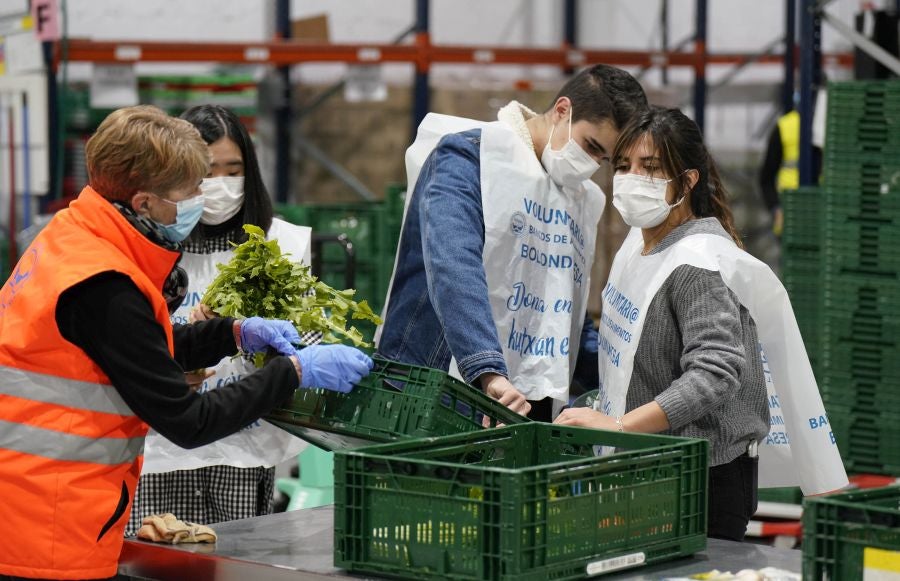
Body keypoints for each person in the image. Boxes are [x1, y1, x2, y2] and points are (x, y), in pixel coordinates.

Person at [0, 105, 373, 580]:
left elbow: (132, 350)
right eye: (192, 189)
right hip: (49, 519)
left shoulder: (73, 236)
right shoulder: (106, 286)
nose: (203, 198)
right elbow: (190, 421)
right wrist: (293, 371)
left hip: (31, 497)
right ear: (144, 203)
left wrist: (232, 332)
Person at [554, 106, 846, 540]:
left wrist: (618, 426)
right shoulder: (639, 246)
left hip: (700, 483)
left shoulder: (697, 263)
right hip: (650, 466)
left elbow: (715, 372)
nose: (633, 178)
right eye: (625, 166)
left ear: (687, 180)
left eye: (651, 167)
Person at [377, 64, 648, 421]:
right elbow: (454, 265)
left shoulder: (577, 197)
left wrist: (632, 384)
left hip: (523, 400)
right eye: (591, 146)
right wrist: (487, 368)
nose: (592, 165)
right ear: (562, 111)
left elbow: (565, 306)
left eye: (604, 159)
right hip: (440, 388)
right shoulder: (472, 157)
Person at [126, 105, 319, 536]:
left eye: (234, 171)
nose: (221, 185)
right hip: (157, 450)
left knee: (234, 557)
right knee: (156, 553)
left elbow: (303, 335)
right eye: (207, 172)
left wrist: (269, 341)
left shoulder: (279, 243)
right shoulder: (149, 243)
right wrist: (197, 339)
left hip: (242, 447)